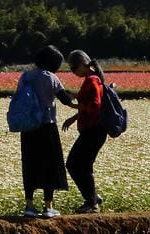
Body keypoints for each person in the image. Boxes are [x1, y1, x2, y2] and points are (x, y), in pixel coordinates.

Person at [17, 45, 76, 217]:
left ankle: (29, 205)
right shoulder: (51, 77)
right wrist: (81, 104)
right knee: (49, 164)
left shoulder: (25, 76)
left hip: (28, 127)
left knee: (30, 164)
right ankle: (48, 207)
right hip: (47, 126)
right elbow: (65, 100)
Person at [61, 49, 106, 213]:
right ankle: (92, 198)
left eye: (73, 68)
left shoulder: (92, 80)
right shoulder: (92, 78)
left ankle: (92, 202)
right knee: (80, 165)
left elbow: (94, 105)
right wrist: (74, 117)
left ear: (82, 64)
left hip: (93, 130)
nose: (73, 72)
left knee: (75, 164)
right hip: (93, 130)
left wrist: (74, 106)